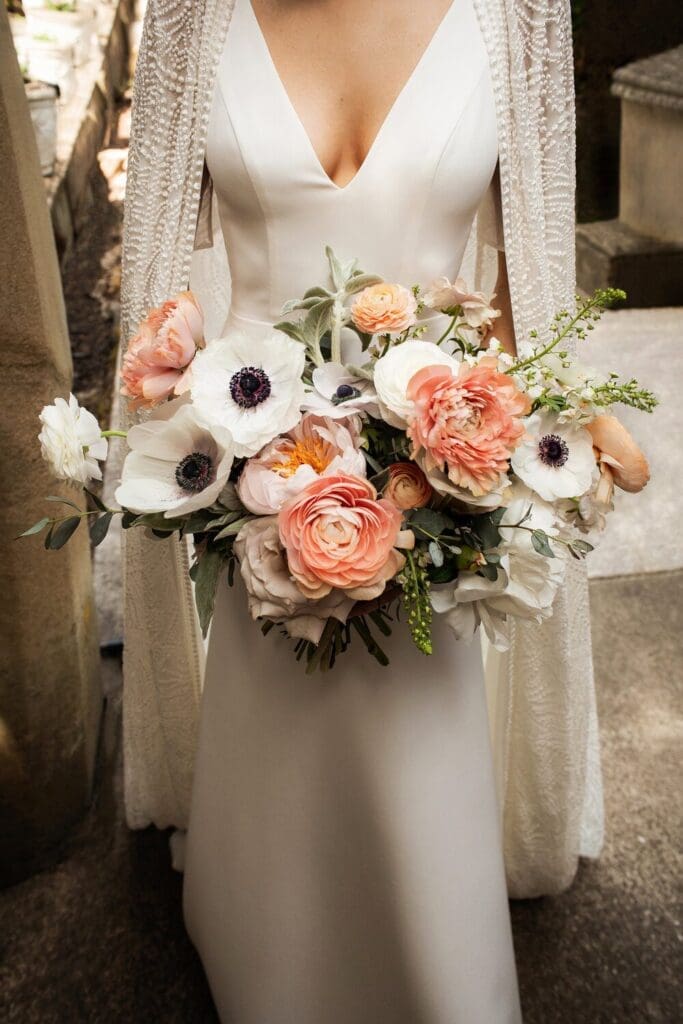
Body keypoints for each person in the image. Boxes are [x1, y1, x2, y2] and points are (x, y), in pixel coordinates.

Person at [121, 1, 604, 1020]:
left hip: (439, 474)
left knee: (416, 748)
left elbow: (531, 303)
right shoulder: (186, 18)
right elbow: (152, 298)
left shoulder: (518, 18)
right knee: (277, 761)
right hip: (252, 472)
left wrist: (522, 462)